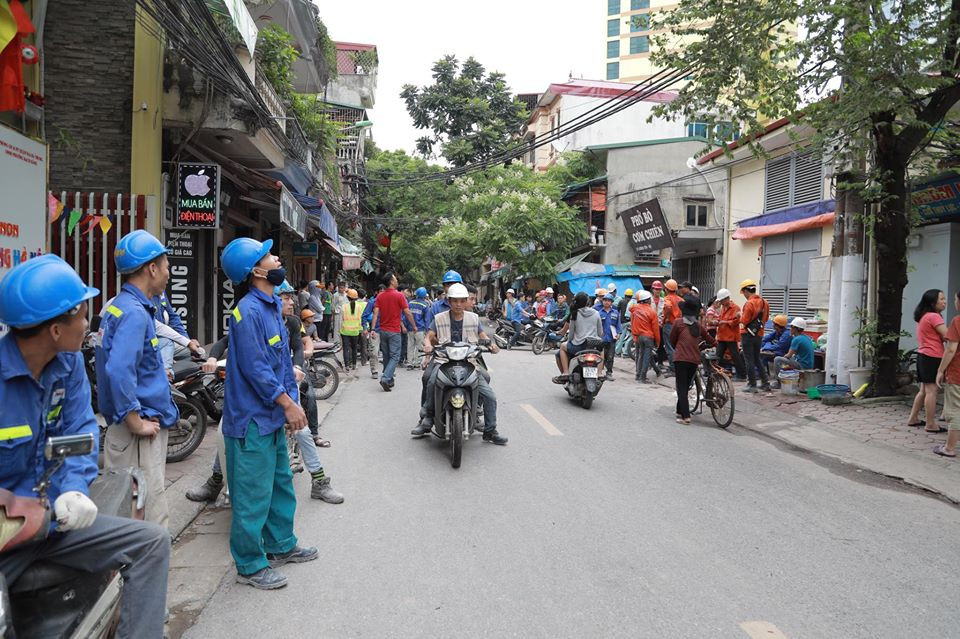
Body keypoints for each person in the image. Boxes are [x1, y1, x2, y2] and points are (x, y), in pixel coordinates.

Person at [0, 254, 171, 639]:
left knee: (151, 542)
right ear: (55, 330)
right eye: (80, 316)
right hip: (7, 529)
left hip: (52, 523)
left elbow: (79, 432)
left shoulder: (70, 364)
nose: (89, 324)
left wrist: (74, 488)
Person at [219, 236, 317, 590]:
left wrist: (291, 401)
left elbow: (279, 364)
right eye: (269, 256)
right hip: (251, 420)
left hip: (272, 415)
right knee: (251, 494)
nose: (276, 258)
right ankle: (249, 565)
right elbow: (257, 368)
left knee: (280, 484)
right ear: (256, 270)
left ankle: (280, 545)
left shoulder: (273, 305)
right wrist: (287, 402)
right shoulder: (247, 311)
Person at [96, 230, 178, 528]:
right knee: (147, 519)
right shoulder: (134, 313)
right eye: (166, 265)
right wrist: (134, 421)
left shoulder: (120, 306)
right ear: (151, 268)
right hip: (137, 434)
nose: (169, 273)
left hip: (131, 429)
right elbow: (119, 370)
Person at [411, 283, 507, 445]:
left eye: (462, 301)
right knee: (429, 378)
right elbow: (429, 335)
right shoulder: (439, 318)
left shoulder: (473, 318)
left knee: (488, 387)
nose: (458, 304)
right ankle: (427, 416)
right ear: (449, 301)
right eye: (455, 301)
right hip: (444, 361)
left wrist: (491, 345)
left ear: (466, 301)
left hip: (468, 362)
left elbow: (482, 335)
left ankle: (488, 427)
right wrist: (427, 344)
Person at [277, 280, 342, 501]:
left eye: (289, 298)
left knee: (302, 426)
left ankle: (319, 480)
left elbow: (298, 345)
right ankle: (216, 480)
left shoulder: (292, 322)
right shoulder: (253, 318)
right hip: (259, 390)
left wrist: (297, 366)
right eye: (284, 298)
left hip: (285, 384)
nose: (290, 302)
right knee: (228, 428)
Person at [907, 289, 949, 432]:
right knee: (932, 391)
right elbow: (948, 336)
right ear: (932, 302)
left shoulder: (923, 316)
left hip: (923, 355)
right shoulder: (934, 317)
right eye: (941, 299)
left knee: (924, 390)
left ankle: (913, 418)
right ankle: (930, 424)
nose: (945, 302)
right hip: (933, 356)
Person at [370, 272, 417, 392]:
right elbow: (407, 312)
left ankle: (389, 380)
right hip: (394, 331)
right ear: (391, 281)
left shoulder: (380, 296)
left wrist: (373, 328)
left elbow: (375, 313)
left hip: (383, 330)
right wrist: (414, 326)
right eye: (395, 279)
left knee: (386, 356)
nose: (397, 281)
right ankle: (385, 377)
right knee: (395, 356)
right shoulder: (399, 296)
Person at [670, 296, 713, 424]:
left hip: (681, 359)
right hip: (694, 360)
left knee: (681, 388)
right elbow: (709, 339)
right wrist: (716, 344)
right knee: (685, 386)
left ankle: (686, 416)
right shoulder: (698, 326)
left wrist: (678, 348)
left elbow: (672, 340)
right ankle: (679, 411)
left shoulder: (678, 323)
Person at [553, 292, 603, 381]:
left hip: (578, 346)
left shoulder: (574, 314)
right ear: (588, 302)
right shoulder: (596, 313)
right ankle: (599, 373)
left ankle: (565, 372)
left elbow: (571, 335)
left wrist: (569, 341)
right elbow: (600, 333)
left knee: (562, 346)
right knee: (601, 349)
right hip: (593, 346)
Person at [934, 289, 960, 458]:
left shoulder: (957, 321)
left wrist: (940, 370)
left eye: (955, 299)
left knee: (955, 410)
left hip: (957, 374)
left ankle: (949, 448)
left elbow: (951, 349)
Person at [152, 290, 201, 374]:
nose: (168, 279)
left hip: (163, 344)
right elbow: (159, 328)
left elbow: (173, 317)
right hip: (151, 346)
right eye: (166, 275)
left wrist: (188, 341)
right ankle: (166, 379)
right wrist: (188, 343)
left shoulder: (161, 292)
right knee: (167, 341)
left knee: (199, 352)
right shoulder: (141, 297)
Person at [739, 279, 772, 393]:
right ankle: (765, 383)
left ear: (746, 291)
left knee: (749, 360)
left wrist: (739, 316)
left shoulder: (749, 303)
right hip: (759, 334)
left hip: (747, 334)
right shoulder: (764, 302)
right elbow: (766, 319)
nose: (744, 295)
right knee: (757, 358)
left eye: (743, 293)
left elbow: (744, 320)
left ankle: (752, 385)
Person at [714, 288, 747, 381]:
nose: (721, 303)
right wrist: (718, 321)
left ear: (726, 299)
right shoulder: (723, 308)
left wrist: (725, 322)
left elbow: (736, 321)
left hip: (731, 336)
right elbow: (721, 318)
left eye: (721, 301)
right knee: (718, 355)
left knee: (735, 356)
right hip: (722, 336)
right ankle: (719, 373)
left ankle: (742, 375)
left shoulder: (736, 308)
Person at [631, 290, 661, 383]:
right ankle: (643, 377)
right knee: (646, 357)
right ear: (648, 300)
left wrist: (634, 336)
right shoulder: (652, 312)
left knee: (640, 355)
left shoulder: (634, 310)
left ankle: (638, 374)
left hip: (638, 336)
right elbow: (655, 329)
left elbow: (632, 324)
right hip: (648, 337)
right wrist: (658, 342)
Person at [761, 315, 793, 386]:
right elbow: (765, 338)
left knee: (765, 353)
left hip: (783, 354)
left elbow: (779, 346)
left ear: (777, 325)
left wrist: (766, 347)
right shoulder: (777, 331)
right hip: (775, 350)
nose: (772, 325)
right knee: (763, 350)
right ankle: (762, 373)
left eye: (774, 323)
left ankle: (778, 381)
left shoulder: (786, 335)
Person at [597, 293, 621, 381]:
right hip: (602, 339)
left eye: (609, 301)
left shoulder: (615, 313)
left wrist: (618, 333)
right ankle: (599, 372)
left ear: (611, 303)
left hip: (612, 338)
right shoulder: (599, 313)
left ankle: (609, 372)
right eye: (605, 300)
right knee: (601, 356)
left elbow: (618, 325)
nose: (606, 302)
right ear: (602, 302)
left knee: (610, 356)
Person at [660, 279, 683, 374]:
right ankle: (678, 366)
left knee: (669, 347)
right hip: (680, 325)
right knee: (677, 347)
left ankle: (673, 368)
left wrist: (666, 318)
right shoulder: (681, 299)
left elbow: (668, 307)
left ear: (666, 289)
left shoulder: (667, 299)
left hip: (670, 325)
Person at [406, 287, 430, 370]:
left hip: (410, 328)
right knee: (419, 346)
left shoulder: (410, 303)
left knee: (410, 346)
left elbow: (406, 316)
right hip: (420, 329)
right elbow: (427, 319)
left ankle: (409, 363)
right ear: (424, 296)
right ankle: (416, 363)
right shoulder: (425, 305)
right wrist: (427, 330)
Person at [340, 288, 364, 372]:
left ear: (347, 297)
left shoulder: (344, 306)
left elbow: (341, 319)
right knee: (354, 348)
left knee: (346, 348)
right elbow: (360, 319)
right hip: (355, 331)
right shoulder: (359, 307)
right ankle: (354, 364)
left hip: (345, 331)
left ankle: (347, 366)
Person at [614, 288, 635, 358]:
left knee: (621, 337)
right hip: (630, 322)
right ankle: (626, 352)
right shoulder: (633, 302)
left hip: (622, 322)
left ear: (625, 295)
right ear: (631, 296)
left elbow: (617, 311)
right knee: (631, 337)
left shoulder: (621, 301)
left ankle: (618, 352)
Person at [332, 282, 348, 346]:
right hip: (338, 313)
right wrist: (333, 313)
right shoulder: (335, 295)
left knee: (344, 327)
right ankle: (336, 342)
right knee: (337, 327)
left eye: (342, 288)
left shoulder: (346, 295)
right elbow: (333, 305)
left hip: (345, 313)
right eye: (339, 288)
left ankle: (343, 342)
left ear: (344, 288)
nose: (340, 289)